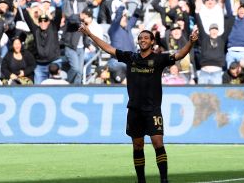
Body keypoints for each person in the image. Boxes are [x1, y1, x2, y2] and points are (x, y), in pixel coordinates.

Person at [79, 22, 199, 183]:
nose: (142, 40)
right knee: (137, 145)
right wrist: (90, 34)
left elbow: (179, 55)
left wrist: (191, 42)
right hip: (134, 109)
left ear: (152, 42)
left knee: (158, 143)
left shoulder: (159, 59)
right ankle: (141, 180)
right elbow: (108, 48)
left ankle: (164, 179)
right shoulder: (131, 57)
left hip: (152, 110)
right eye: (140, 38)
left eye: (146, 38)